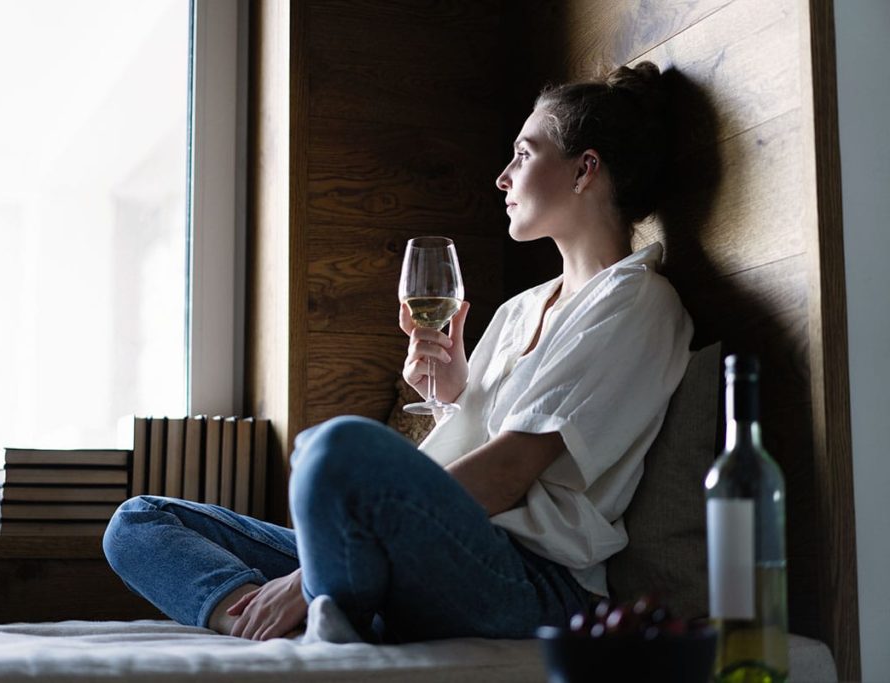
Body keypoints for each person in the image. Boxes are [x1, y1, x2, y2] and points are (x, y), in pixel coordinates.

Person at [102, 61, 693, 645]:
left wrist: (307, 577)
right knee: (139, 523)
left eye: (524, 153)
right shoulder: (524, 308)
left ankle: (324, 603)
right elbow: (484, 441)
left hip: (532, 580)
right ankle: (269, 619)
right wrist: (454, 392)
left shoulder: (636, 301)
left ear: (585, 169)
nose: (503, 177)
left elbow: (512, 469)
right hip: (426, 556)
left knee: (331, 449)